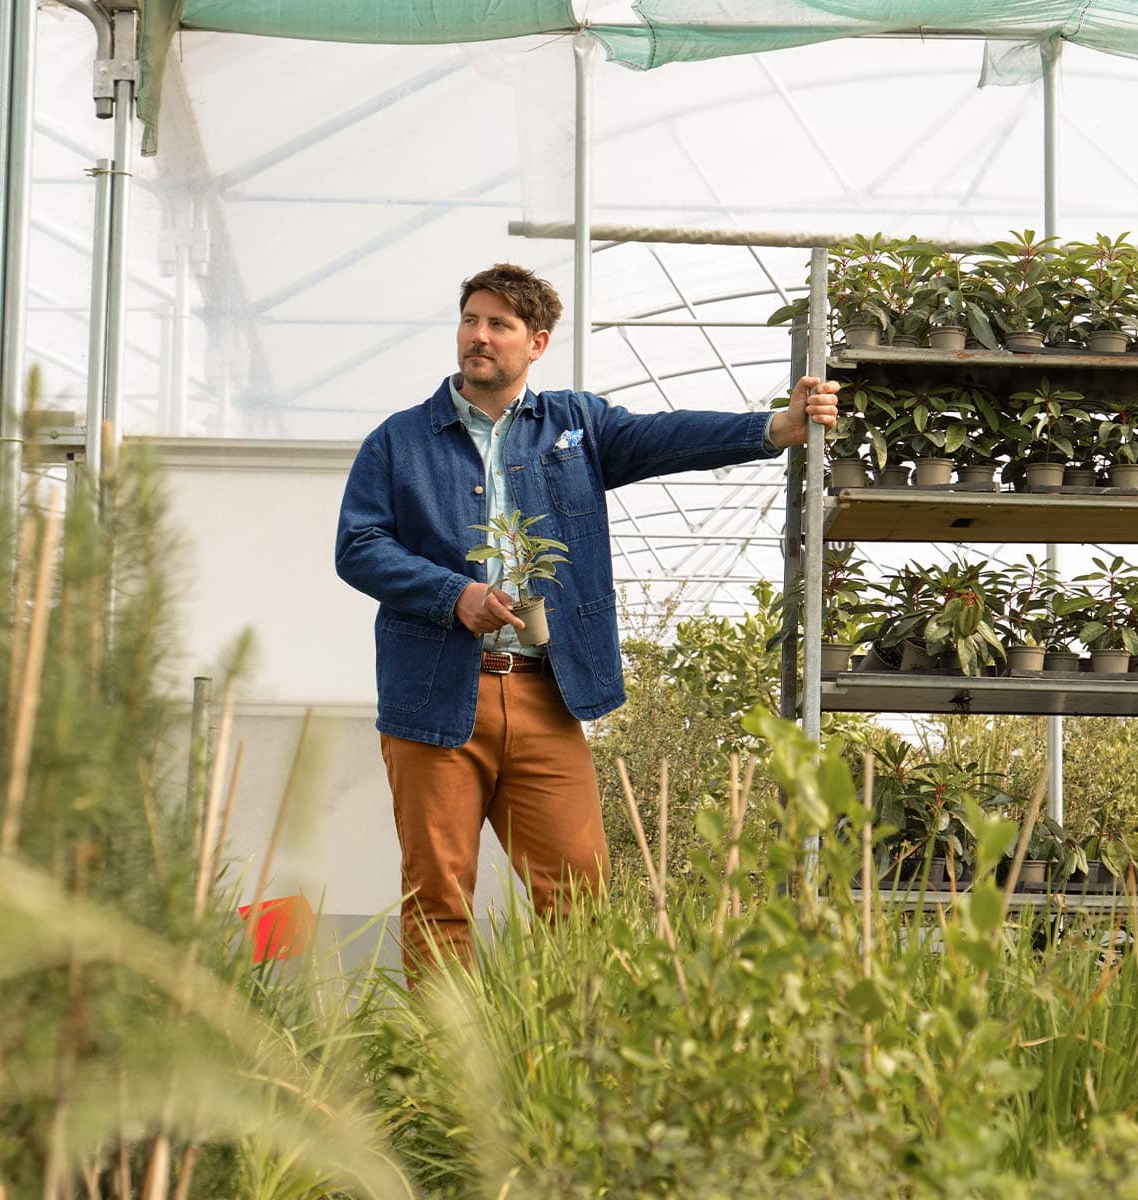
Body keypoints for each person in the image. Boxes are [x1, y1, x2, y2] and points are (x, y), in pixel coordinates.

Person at [333, 262, 839, 978]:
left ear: (535, 343)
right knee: (438, 894)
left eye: (499, 325)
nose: (479, 336)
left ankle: (570, 1061)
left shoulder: (575, 426)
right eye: (471, 319)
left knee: (578, 895)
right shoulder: (400, 440)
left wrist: (775, 426)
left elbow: (667, 437)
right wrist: (456, 594)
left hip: (547, 692)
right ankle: (444, 1071)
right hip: (436, 695)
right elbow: (359, 547)